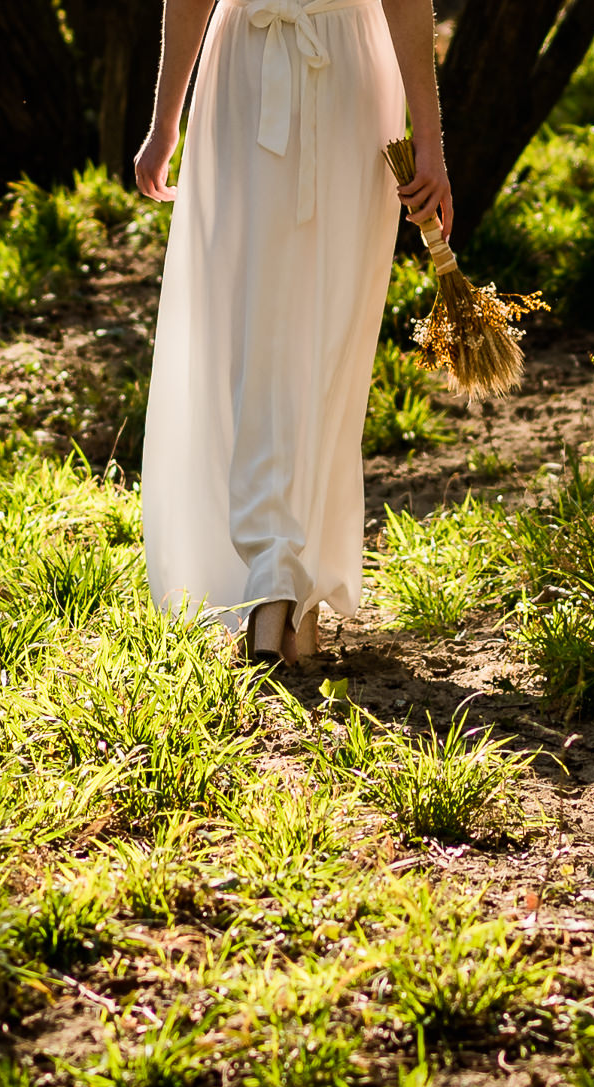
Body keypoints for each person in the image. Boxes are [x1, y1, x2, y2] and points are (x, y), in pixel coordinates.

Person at [133, 0, 453, 665]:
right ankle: (278, 577)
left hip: (320, 75)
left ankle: (285, 581)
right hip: (287, 71)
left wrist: (166, 121)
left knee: (295, 325)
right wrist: (430, 138)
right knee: (300, 325)